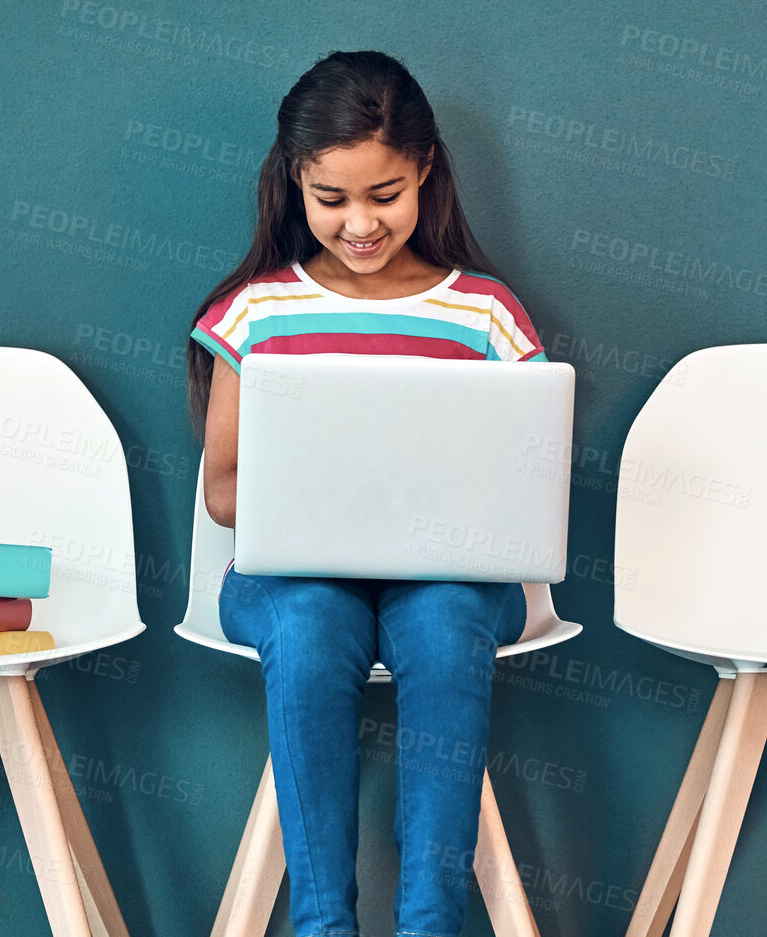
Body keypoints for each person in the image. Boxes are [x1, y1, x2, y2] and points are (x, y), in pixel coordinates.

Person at [186, 49, 547, 937]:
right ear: (293, 183)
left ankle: (430, 923)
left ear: (424, 171)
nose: (358, 223)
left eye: (383, 195)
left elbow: (524, 486)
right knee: (310, 628)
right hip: (290, 576)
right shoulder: (256, 311)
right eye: (331, 198)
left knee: (442, 621)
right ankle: (321, 925)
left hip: (449, 577)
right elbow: (225, 494)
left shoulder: (484, 314)